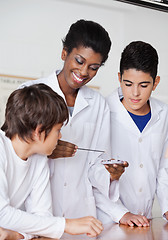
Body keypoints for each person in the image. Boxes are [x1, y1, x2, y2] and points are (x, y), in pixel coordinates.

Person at [19, 19, 129, 225]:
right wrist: (45, 151)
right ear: (64, 53)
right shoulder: (29, 92)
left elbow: (97, 163)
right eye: (79, 61)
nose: (84, 72)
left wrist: (110, 174)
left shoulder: (98, 104)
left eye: (94, 67)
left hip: (81, 214)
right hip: (34, 212)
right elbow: (12, 154)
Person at [0, 83, 103, 240]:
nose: (60, 136)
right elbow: (2, 214)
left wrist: (15, 235)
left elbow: (43, 218)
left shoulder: (39, 157)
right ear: (39, 132)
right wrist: (66, 225)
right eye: (58, 130)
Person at [106, 41, 168, 226]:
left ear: (155, 82)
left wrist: (166, 207)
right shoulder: (103, 111)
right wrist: (120, 213)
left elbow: (163, 169)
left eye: (143, 85)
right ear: (119, 78)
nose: (134, 93)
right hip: (108, 220)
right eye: (128, 83)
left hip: (144, 221)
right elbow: (92, 174)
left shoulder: (163, 114)